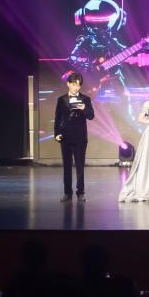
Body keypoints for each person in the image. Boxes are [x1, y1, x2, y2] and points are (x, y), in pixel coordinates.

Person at [54, 72, 95, 203]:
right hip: (65, 136)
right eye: (74, 84)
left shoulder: (85, 99)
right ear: (68, 84)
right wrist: (57, 133)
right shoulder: (62, 100)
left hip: (80, 137)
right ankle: (67, 193)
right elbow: (58, 118)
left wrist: (84, 108)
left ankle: (80, 192)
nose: (76, 87)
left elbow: (91, 116)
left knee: (80, 166)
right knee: (67, 166)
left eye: (78, 85)